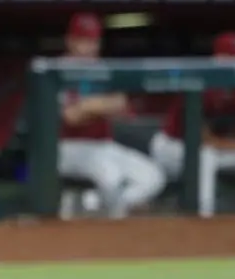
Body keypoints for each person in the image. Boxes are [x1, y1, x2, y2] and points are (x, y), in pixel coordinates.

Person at [149, 32, 235, 218]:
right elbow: (202, 139)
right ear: (218, 59)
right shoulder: (200, 84)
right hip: (174, 147)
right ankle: (203, 218)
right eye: (233, 58)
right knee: (204, 156)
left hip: (220, 147)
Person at [57, 13, 166, 218]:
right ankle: (108, 225)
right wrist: (100, 106)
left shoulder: (103, 69)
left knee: (152, 177)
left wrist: (88, 106)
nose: (90, 47)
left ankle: (97, 208)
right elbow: (71, 117)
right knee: (110, 176)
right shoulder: (57, 70)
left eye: (93, 41)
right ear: (70, 41)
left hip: (102, 145)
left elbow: (121, 105)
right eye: (83, 41)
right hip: (67, 148)